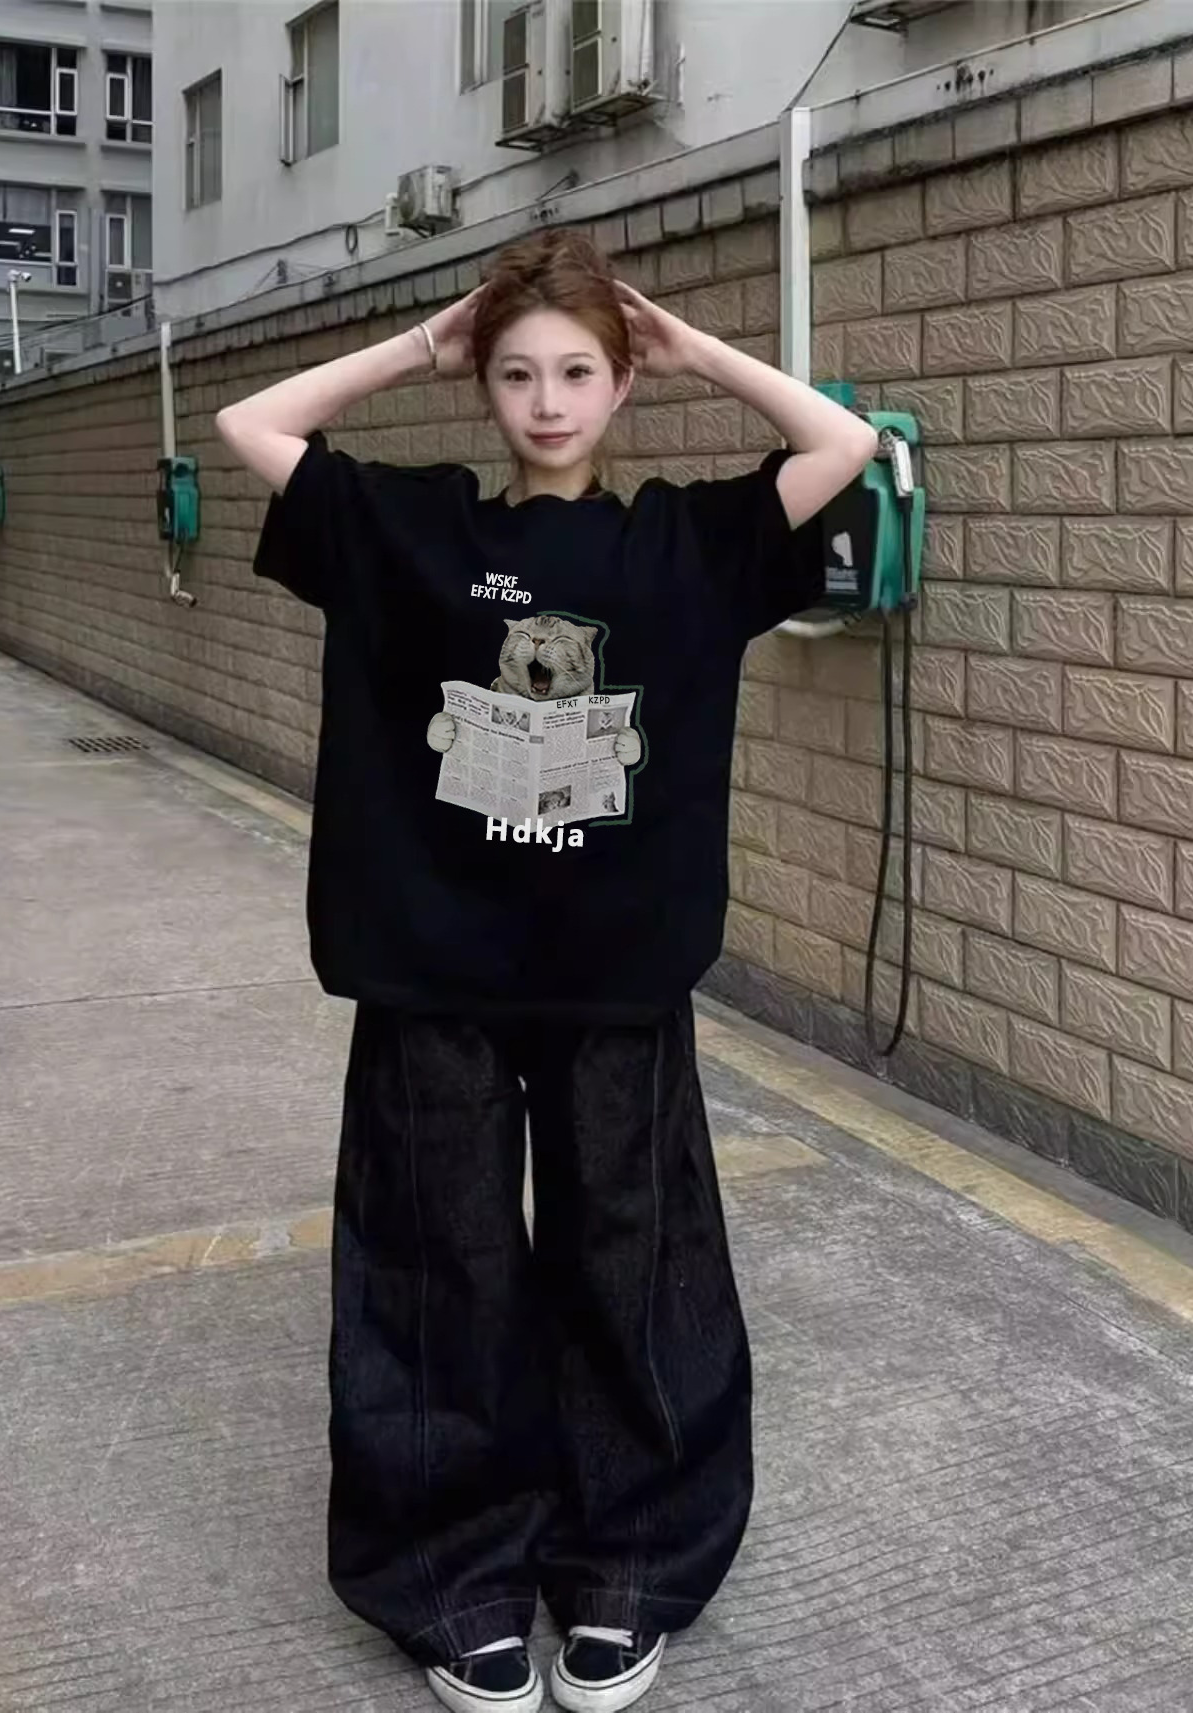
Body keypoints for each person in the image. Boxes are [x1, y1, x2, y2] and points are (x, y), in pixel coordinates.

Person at [216, 230, 877, 1713]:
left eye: (579, 372)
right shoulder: (416, 531)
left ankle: (626, 1565)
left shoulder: (681, 546)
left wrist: (693, 348)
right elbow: (250, 426)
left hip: (616, 973)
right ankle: (454, 1577)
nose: (549, 401)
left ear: (620, 383)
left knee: (632, 1264)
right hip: (431, 965)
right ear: (485, 388)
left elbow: (840, 445)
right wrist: (419, 342)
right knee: (437, 1264)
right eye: (517, 375)